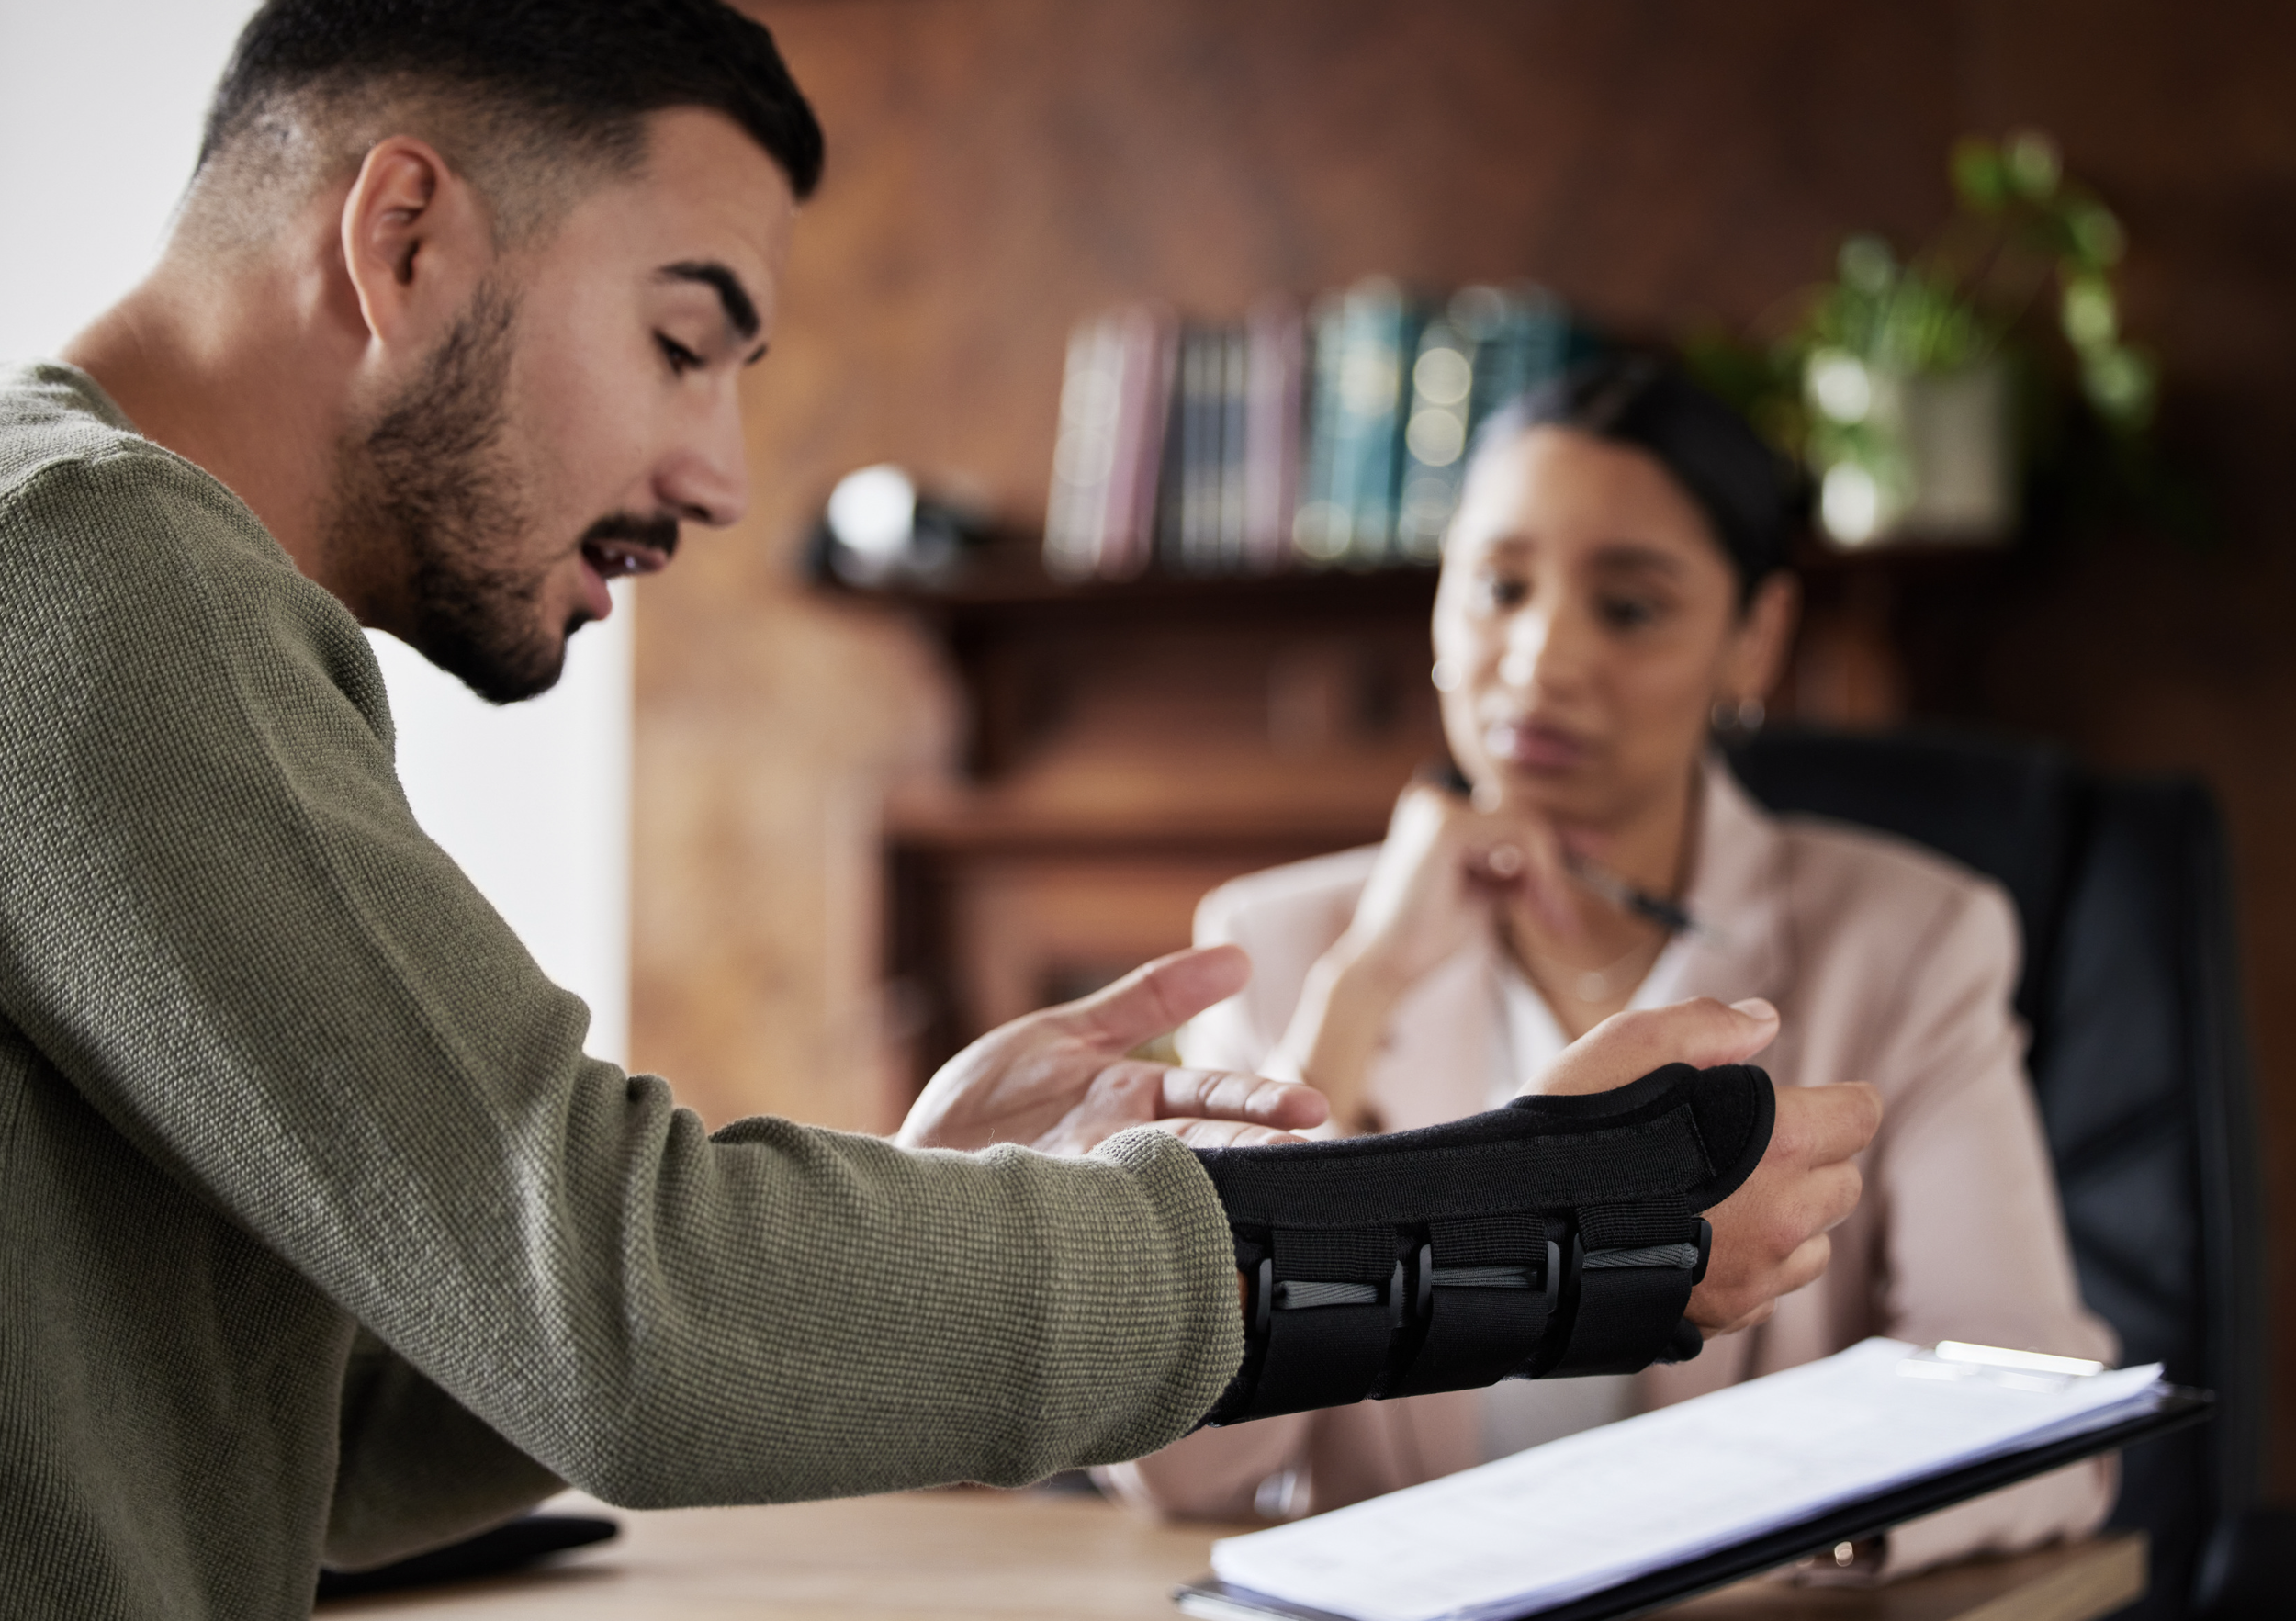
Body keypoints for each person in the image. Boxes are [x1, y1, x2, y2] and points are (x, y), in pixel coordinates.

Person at [0, 7, 1880, 1617]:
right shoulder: (90, 571)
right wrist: (1532, 1214)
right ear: (402, 235)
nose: (719, 475)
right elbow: (607, 1314)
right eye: (680, 342)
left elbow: (332, 1419)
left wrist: (912, 1198)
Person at [1101, 359, 2114, 1580]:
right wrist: (1359, 993)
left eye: (1627, 609)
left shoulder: (1912, 941)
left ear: (1756, 640)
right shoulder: (1279, 946)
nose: (1539, 658)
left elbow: (2032, 1411)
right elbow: (1183, 1471)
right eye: (1497, 587)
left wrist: (1797, 1539)